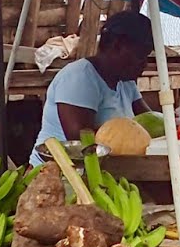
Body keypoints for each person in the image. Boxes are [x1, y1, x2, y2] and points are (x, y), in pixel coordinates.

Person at [31, 11, 154, 163]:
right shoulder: (79, 78)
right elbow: (83, 143)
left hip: (111, 169)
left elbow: (150, 122)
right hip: (60, 173)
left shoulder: (126, 82)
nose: (145, 63)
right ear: (117, 46)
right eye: (141, 56)